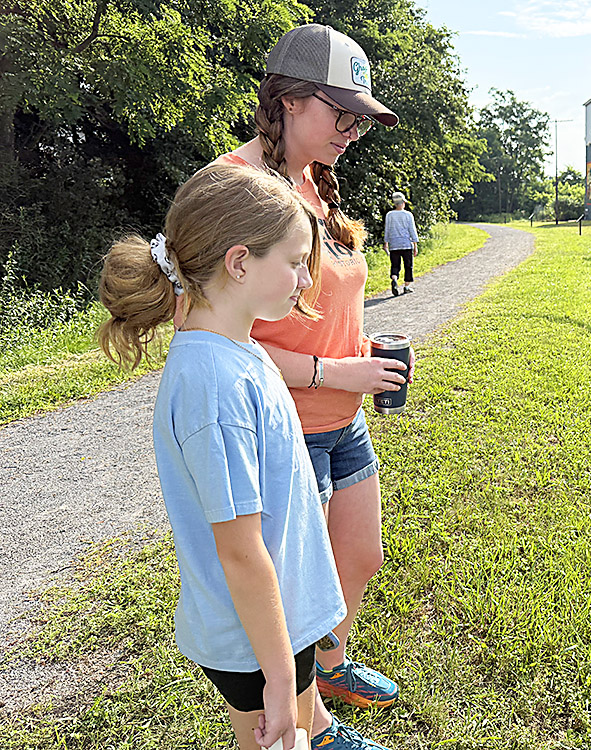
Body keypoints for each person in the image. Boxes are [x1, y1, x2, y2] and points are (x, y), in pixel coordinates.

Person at [97, 164, 386, 750]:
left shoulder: (238, 348)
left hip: (282, 625)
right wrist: (279, 679)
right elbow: (240, 550)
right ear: (238, 263)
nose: (307, 279)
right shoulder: (215, 387)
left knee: (302, 734)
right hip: (257, 642)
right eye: (296, 260)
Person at [201, 23, 410, 743]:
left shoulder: (315, 178)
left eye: (360, 118)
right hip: (284, 430)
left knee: (358, 558)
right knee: (292, 594)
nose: (353, 129)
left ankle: (331, 664)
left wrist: (359, 353)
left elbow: (318, 304)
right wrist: (331, 369)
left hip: (343, 419)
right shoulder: (235, 187)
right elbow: (216, 335)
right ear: (289, 101)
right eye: (340, 112)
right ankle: (314, 726)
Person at [382, 192, 419, 296]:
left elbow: (387, 230)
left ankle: (394, 279)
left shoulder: (389, 215)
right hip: (406, 244)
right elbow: (412, 230)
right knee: (408, 266)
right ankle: (406, 287)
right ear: (403, 203)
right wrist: (415, 245)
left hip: (394, 245)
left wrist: (386, 243)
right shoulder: (408, 215)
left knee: (395, 265)